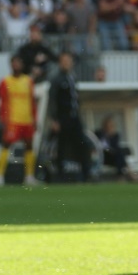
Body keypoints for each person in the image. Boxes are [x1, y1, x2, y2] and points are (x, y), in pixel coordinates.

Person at [0, 55, 38, 186]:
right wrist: (3, 118)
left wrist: (34, 118)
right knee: (6, 145)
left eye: (18, 62)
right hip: (13, 120)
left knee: (29, 146)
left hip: (27, 120)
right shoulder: (5, 81)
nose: (16, 65)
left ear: (22, 65)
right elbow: (3, 102)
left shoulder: (28, 81)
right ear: (11, 65)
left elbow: (32, 101)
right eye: (14, 63)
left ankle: (29, 176)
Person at [48, 52, 91, 182]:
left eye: (68, 61)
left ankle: (86, 174)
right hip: (62, 118)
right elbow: (52, 100)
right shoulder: (56, 79)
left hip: (74, 117)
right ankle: (60, 175)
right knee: (61, 146)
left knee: (82, 143)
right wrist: (54, 120)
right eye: (64, 61)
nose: (66, 63)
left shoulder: (72, 78)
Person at [94, 115, 136, 181]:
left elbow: (115, 147)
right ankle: (128, 173)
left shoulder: (115, 136)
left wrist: (110, 136)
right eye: (108, 125)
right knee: (119, 155)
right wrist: (106, 135)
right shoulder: (99, 134)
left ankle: (121, 175)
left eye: (111, 125)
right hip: (102, 157)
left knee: (119, 155)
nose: (109, 127)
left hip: (112, 157)